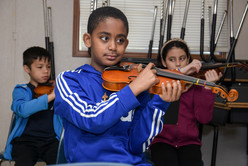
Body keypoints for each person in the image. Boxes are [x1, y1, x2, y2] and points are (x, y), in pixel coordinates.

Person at [54, 6, 182, 165]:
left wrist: (159, 103)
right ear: (88, 39)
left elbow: (137, 145)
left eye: (120, 40)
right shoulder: (69, 80)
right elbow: (91, 119)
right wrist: (133, 89)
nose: (113, 46)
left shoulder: (132, 84)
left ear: (126, 43)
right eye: (104, 38)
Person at [149, 38, 222, 166]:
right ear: (164, 63)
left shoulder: (196, 86)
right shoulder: (158, 85)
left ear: (188, 59)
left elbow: (204, 119)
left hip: (189, 143)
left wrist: (208, 89)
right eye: (172, 59)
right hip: (162, 142)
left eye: (182, 59)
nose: (178, 64)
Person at [3, 46, 63, 166]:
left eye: (48, 66)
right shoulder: (21, 90)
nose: (46, 71)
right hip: (26, 141)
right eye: (40, 67)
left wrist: (62, 87)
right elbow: (22, 110)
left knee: (61, 161)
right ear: (27, 68)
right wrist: (51, 96)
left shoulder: (55, 89)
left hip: (51, 141)